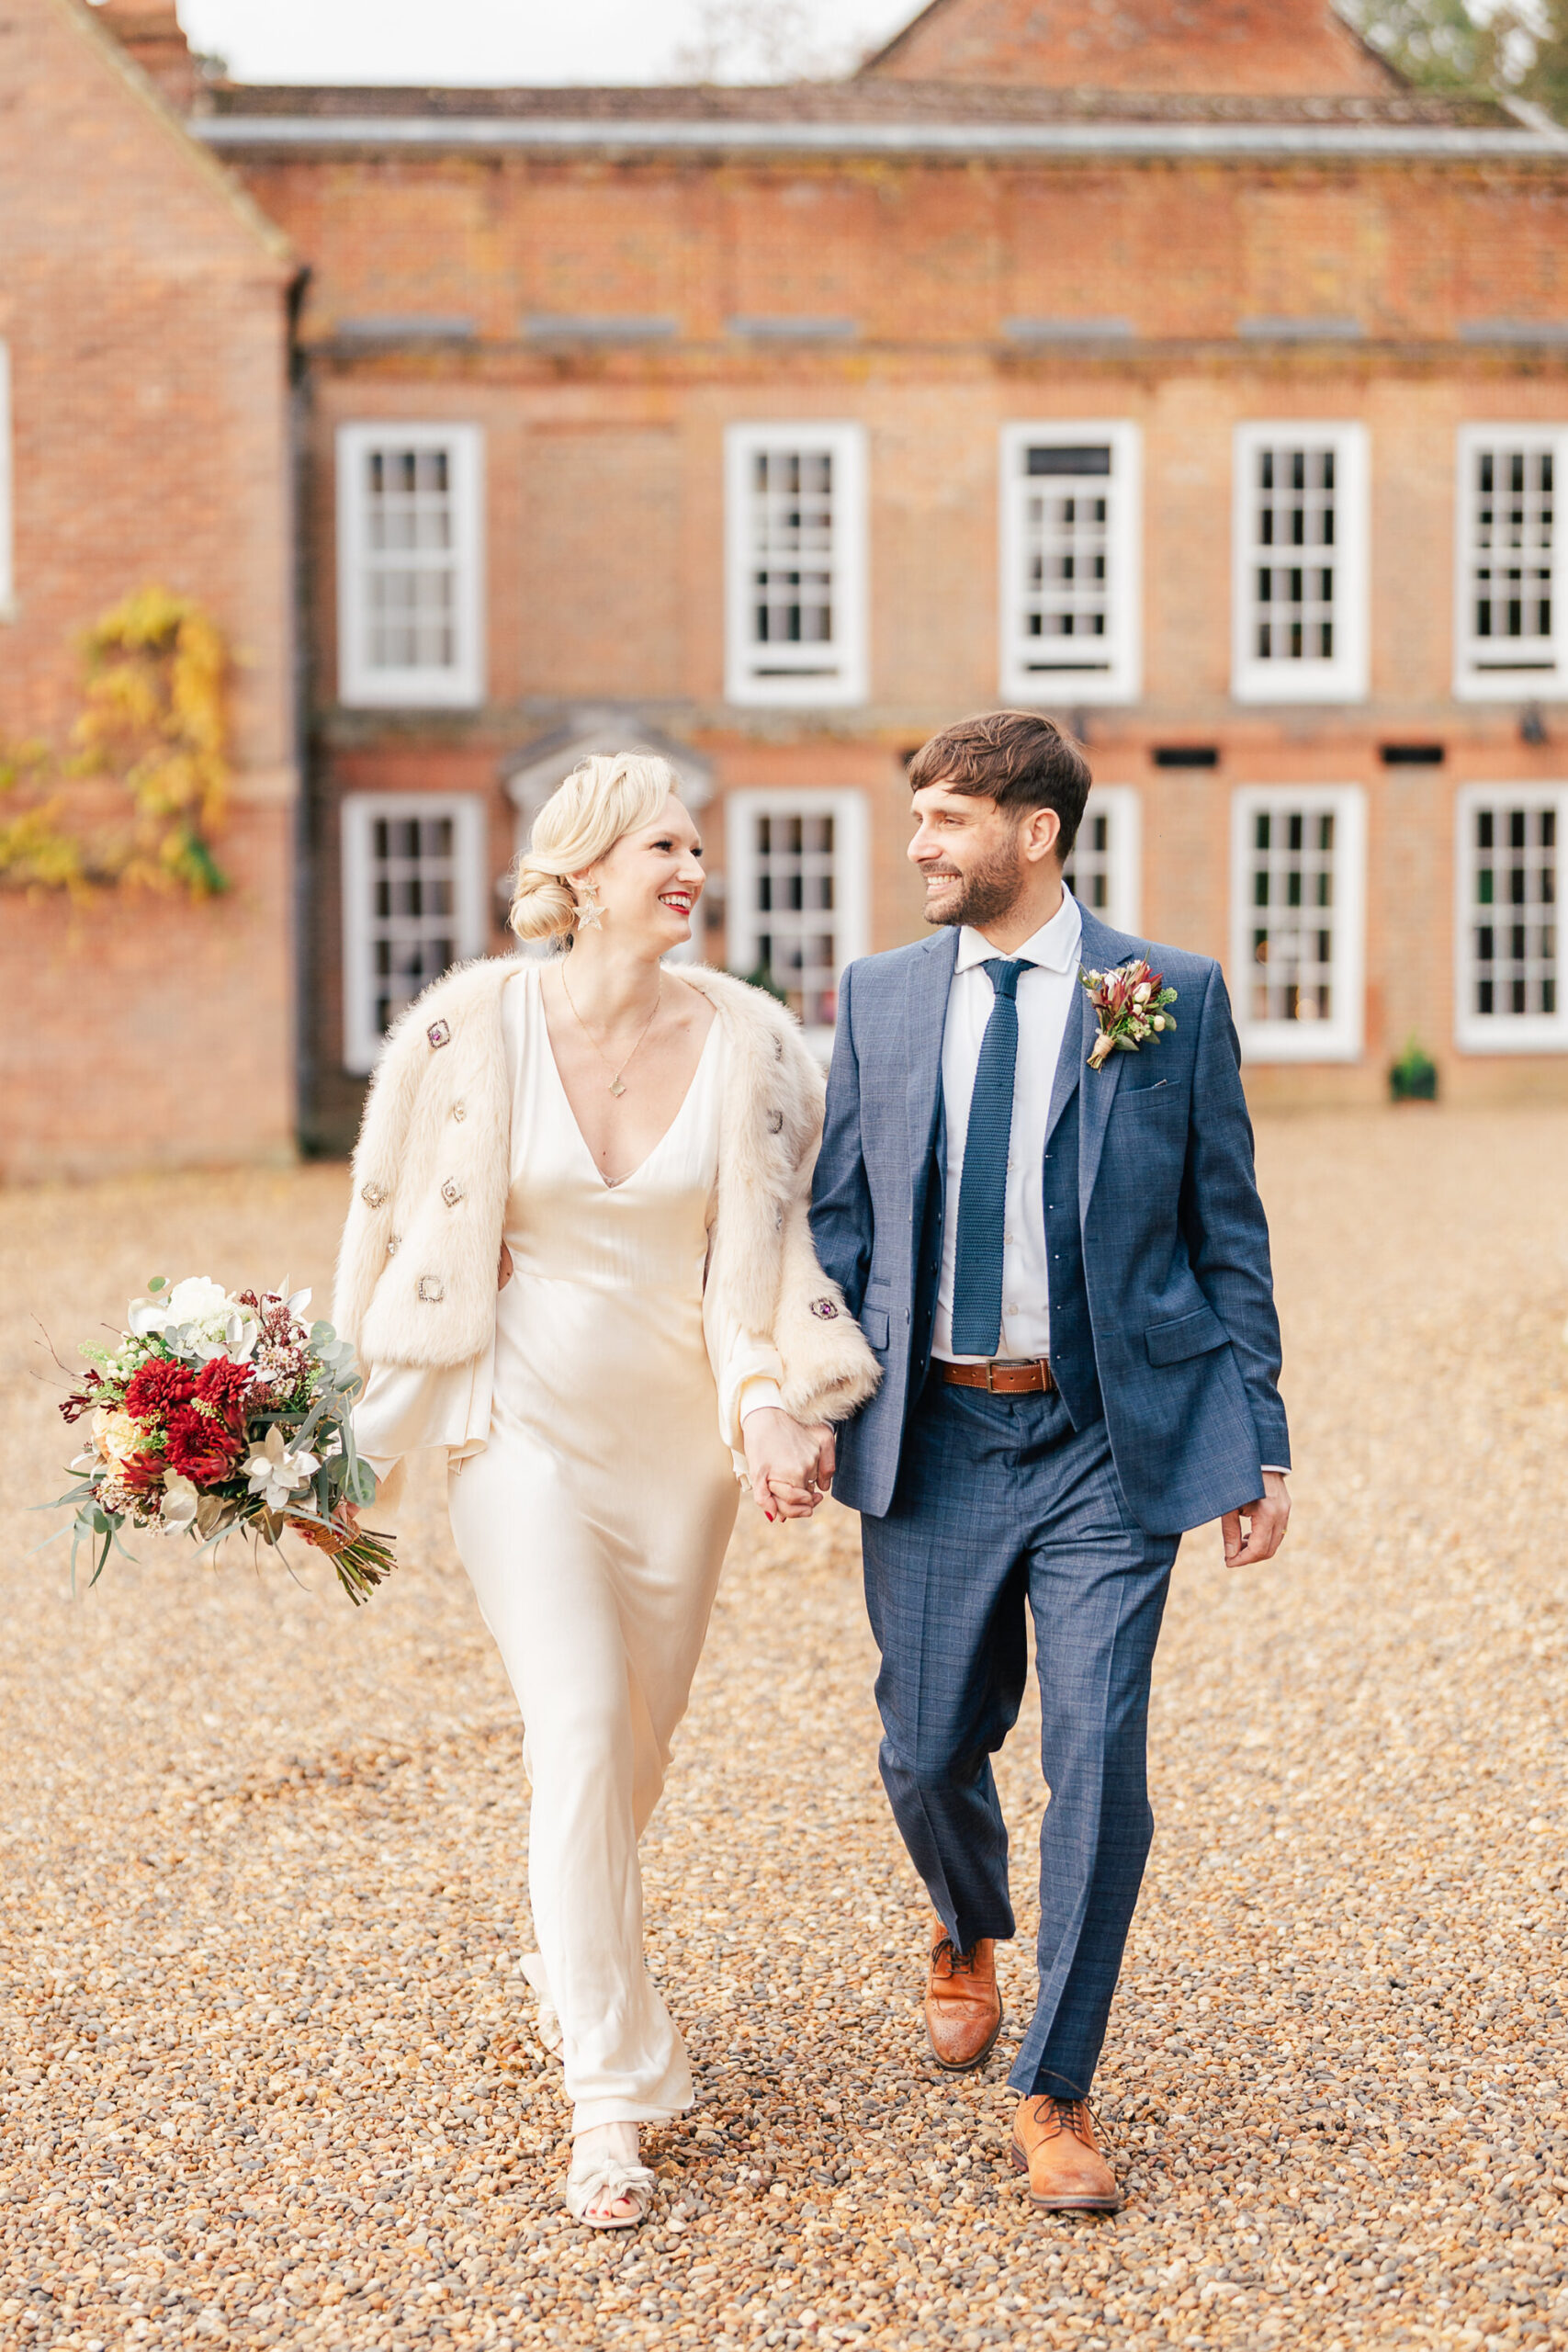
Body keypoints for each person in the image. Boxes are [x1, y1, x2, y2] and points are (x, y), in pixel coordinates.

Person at [333, 753, 878, 2229]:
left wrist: (769, 1405)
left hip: (679, 1456)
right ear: (579, 873)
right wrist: (339, 1431)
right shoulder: (468, 1022)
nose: (690, 868)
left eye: (696, 845)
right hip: (519, 1427)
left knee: (633, 1753)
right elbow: (381, 1224)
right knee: (574, 1726)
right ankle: (607, 2100)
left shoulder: (757, 1046)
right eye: (663, 846)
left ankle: (573, 1955)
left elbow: (758, 1265)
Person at [809, 710, 1290, 2213]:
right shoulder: (880, 998)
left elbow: (1229, 1235)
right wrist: (801, 1395)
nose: (919, 847)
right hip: (937, 1430)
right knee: (925, 1743)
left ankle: (1060, 2091)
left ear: (1038, 833)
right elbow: (839, 1221)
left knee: (1098, 1758)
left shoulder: (1166, 996)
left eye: (947, 819)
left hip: (1106, 1440)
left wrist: (1258, 1440)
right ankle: (965, 1921)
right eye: (916, 818)